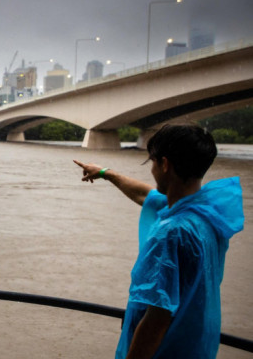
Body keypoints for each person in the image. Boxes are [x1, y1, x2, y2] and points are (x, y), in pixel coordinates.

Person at [74, 124, 244, 358]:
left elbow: (156, 320)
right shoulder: (207, 215)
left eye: (152, 162)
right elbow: (146, 194)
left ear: (165, 165)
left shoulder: (171, 233)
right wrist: (105, 173)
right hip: (195, 347)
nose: (151, 169)